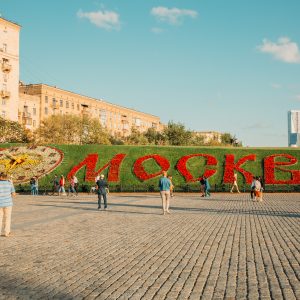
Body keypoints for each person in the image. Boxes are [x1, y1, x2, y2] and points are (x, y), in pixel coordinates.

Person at [0, 172, 16, 237]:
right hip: (8, 203)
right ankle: (7, 232)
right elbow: (13, 194)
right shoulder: (9, 183)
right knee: (7, 218)